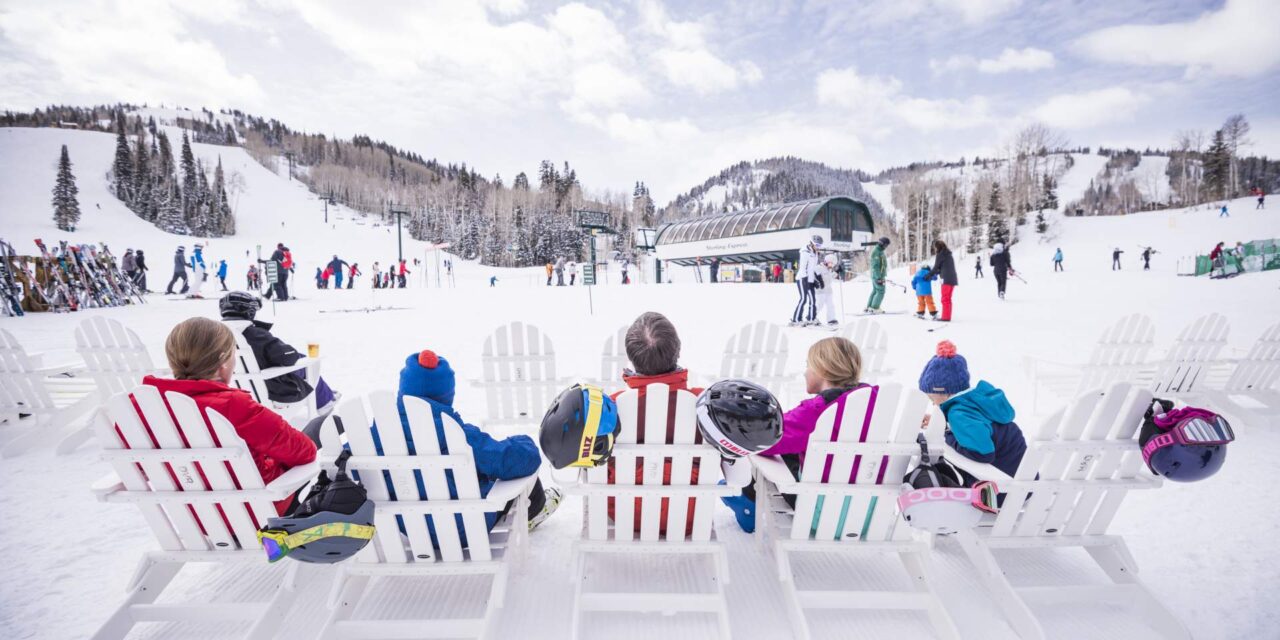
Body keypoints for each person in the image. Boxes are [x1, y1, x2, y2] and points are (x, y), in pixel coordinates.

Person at [143, 317, 317, 515]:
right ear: (223, 362)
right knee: (320, 428)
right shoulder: (234, 406)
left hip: (195, 519)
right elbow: (305, 452)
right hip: (258, 511)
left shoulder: (141, 407)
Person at [389, 349, 560, 539]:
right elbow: (522, 459)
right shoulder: (459, 435)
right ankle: (535, 511)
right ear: (446, 395)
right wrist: (524, 442)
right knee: (514, 472)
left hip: (409, 527)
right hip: (465, 527)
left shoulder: (375, 435)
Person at [722, 337, 865, 532]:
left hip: (821, 512)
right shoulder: (873, 406)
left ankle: (747, 501)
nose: (805, 372)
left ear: (822, 369)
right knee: (797, 446)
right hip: (866, 513)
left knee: (764, 452)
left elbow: (767, 439)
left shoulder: (817, 411)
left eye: (808, 366)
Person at [608, 312, 706, 534]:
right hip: (689, 516)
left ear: (632, 358)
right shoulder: (704, 405)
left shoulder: (611, 408)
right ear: (677, 351)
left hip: (627, 514)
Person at [918, 340, 1027, 479]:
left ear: (944, 392)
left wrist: (947, 434)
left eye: (932, 398)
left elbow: (982, 454)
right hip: (1022, 482)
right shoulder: (977, 402)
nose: (933, 404)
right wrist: (943, 423)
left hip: (998, 490)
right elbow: (977, 425)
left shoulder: (958, 414)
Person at [218, 292, 337, 413]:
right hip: (272, 390)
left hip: (239, 389)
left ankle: (327, 396)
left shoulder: (218, 335)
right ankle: (326, 403)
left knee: (304, 364)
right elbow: (288, 357)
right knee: (309, 365)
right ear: (249, 311)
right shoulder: (255, 334)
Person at [922, 239, 957, 322]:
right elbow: (942, 268)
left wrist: (928, 275)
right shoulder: (948, 254)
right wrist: (935, 273)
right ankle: (947, 316)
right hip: (952, 279)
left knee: (945, 299)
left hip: (946, 279)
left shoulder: (940, 254)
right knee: (948, 298)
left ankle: (945, 317)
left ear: (937, 247)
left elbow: (935, 267)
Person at [792, 236, 821, 325]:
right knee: (803, 299)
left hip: (810, 279)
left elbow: (813, 268)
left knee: (813, 300)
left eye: (820, 245)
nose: (818, 247)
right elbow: (803, 268)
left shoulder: (815, 253)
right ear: (811, 243)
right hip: (802, 278)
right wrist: (805, 280)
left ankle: (811, 318)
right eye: (817, 245)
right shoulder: (805, 252)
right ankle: (796, 319)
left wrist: (816, 279)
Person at [864, 236, 889, 314]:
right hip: (877, 275)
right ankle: (875, 307)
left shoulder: (880, 250)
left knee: (875, 291)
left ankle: (869, 307)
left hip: (878, 275)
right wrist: (878, 278)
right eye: (886, 245)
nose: (886, 247)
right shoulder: (876, 252)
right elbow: (875, 266)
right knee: (881, 291)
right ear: (882, 244)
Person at [813, 254, 839, 326]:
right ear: (827, 261)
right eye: (831, 263)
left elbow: (829, 279)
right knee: (819, 304)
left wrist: (837, 272)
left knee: (831, 305)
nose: (832, 266)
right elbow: (818, 278)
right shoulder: (819, 268)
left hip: (828, 291)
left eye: (833, 264)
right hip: (820, 291)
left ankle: (831, 319)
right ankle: (812, 317)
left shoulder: (829, 270)